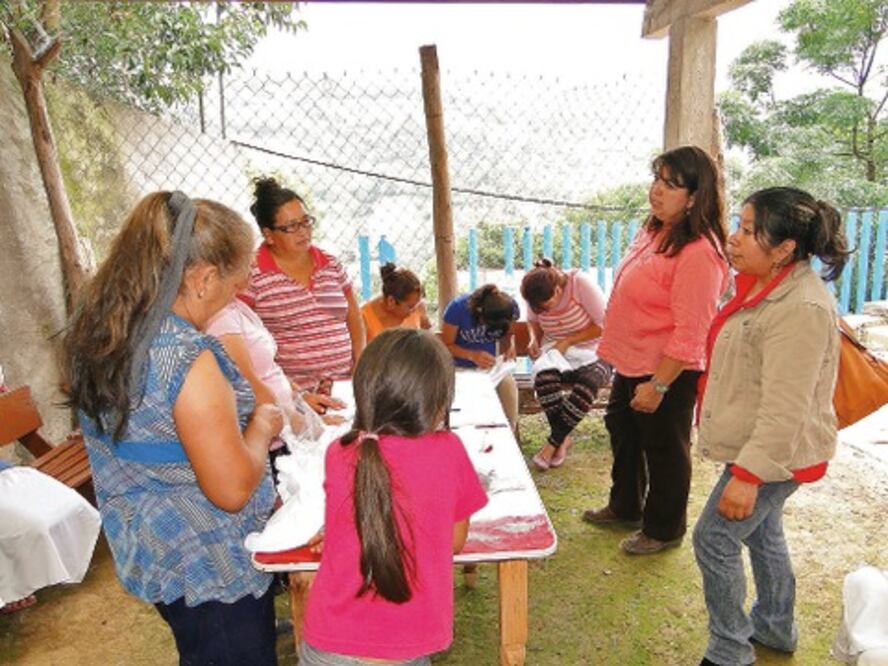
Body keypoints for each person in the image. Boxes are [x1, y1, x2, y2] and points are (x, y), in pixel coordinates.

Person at [62, 192, 283, 665]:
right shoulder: (188, 358)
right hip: (206, 563)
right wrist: (262, 425)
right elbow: (230, 490)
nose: (238, 293)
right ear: (202, 279)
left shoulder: (108, 331)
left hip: (153, 546)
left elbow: (157, 432)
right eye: (235, 283)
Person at [693, 187, 848, 666]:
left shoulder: (800, 308)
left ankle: (728, 651)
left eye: (747, 229)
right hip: (767, 447)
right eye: (738, 224)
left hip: (776, 453)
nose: (733, 239)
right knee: (762, 534)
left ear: (783, 249)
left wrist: (747, 476)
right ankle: (776, 627)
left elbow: (786, 408)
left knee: (714, 539)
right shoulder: (766, 285)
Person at [300, 328, 488, 665]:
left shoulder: (340, 451)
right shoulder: (448, 451)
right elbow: (455, 541)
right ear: (440, 401)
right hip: (408, 640)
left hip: (330, 642)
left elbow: (366, 513)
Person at [583, 145, 729, 555]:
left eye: (670, 184)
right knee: (624, 434)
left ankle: (664, 530)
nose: (656, 191)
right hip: (632, 361)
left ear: (696, 196)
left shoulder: (700, 253)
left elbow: (691, 331)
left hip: (666, 370)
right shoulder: (655, 230)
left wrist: (659, 385)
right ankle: (625, 505)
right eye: (656, 180)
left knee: (665, 450)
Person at [241, 177, 364, 411]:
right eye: (291, 227)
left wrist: (361, 362)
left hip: (345, 388)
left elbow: (353, 315)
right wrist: (292, 393)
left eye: (306, 222)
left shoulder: (329, 263)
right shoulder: (252, 275)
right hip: (294, 399)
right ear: (268, 234)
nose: (303, 232)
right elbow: (244, 344)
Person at [520, 258, 610, 470]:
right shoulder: (535, 293)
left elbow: (605, 324)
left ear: (558, 290)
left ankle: (553, 443)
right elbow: (532, 322)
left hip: (593, 349)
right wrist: (534, 340)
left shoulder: (580, 284)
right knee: (544, 380)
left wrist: (568, 341)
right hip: (555, 351)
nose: (542, 310)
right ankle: (564, 437)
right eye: (537, 307)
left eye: (546, 305)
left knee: (588, 382)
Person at [0, 458, 101, 614]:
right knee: (34, 526)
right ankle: (10, 590)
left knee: (70, 504)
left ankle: (17, 585)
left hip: (7, 475)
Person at [441, 285, 520, 433]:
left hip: (491, 368)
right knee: (466, 399)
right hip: (460, 369)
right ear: (480, 313)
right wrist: (472, 355)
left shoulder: (508, 306)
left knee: (508, 389)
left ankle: (508, 435)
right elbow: (445, 345)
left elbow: (510, 331)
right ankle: (466, 438)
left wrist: (511, 344)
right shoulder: (457, 309)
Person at [360, 262, 432, 342]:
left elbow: (429, 339)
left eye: (417, 304)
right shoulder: (363, 318)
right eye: (410, 307)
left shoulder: (418, 307)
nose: (415, 310)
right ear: (391, 301)